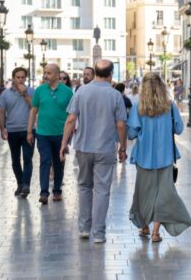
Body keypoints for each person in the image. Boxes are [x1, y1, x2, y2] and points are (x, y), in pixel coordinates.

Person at [60, 59, 128, 244]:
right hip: (105, 148)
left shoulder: (82, 91)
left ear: (96, 72)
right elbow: (121, 125)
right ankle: (99, 233)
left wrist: (64, 143)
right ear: (111, 74)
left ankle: (84, 228)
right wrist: (123, 147)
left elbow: (71, 119)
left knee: (83, 187)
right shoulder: (115, 95)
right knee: (102, 190)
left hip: (83, 147)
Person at [127, 72, 191, 243]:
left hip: (143, 157)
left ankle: (145, 227)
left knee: (143, 192)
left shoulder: (137, 107)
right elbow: (178, 129)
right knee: (164, 193)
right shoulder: (169, 106)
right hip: (165, 156)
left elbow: (132, 133)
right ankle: (156, 232)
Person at [27, 63, 73, 205]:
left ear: (58, 75)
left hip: (60, 134)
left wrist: (69, 136)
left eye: (49, 73)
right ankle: (44, 192)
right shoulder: (40, 90)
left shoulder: (68, 92)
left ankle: (57, 190)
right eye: (45, 72)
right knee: (45, 161)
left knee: (59, 163)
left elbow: (72, 115)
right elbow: (33, 111)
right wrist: (29, 131)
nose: (45, 75)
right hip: (43, 134)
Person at [0, 67, 35, 198]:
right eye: (17, 77)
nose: (20, 80)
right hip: (12, 131)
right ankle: (20, 183)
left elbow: (34, 108)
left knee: (27, 158)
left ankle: (26, 185)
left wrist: (25, 94)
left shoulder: (31, 91)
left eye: (22, 77)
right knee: (15, 160)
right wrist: (2, 129)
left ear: (25, 78)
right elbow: (1, 112)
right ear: (13, 78)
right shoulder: (5, 94)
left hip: (28, 130)